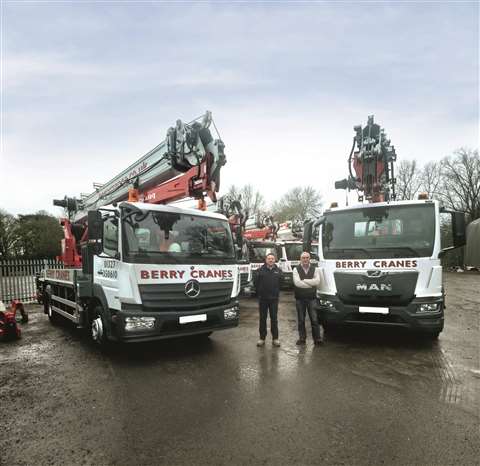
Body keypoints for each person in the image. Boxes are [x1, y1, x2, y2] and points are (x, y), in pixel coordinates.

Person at [293, 251, 323, 346]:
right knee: (301, 320)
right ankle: (302, 339)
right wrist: (311, 283)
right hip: (300, 299)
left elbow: (317, 281)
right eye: (303, 258)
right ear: (300, 259)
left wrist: (304, 281)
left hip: (312, 298)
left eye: (307, 257)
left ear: (309, 259)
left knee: (314, 320)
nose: (305, 259)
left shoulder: (315, 269)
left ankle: (317, 339)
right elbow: (297, 283)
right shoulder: (296, 269)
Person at [255, 253, 282, 347]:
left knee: (274, 319)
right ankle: (262, 338)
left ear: (275, 260)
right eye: (269, 258)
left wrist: (276, 293)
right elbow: (256, 283)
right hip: (263, 299)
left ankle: (275, 338)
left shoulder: (278, 271)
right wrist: (260, 293)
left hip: (274, 299)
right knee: (262, 319)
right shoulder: (260, 270)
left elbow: (281, 283)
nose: (271, 260)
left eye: (272, 259)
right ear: (266, 260)